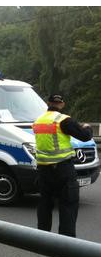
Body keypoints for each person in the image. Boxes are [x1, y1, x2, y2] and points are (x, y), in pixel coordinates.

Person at [32, 94, 93, 237]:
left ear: (48, 103)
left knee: (45, 204)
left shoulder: (38, 121)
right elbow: (85, 136)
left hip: (44, 170)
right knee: (68, 204)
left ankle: (42, 237)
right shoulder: (63, 120)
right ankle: (66, 242)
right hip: (63, 169)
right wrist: (87, 127)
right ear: (62, 104)